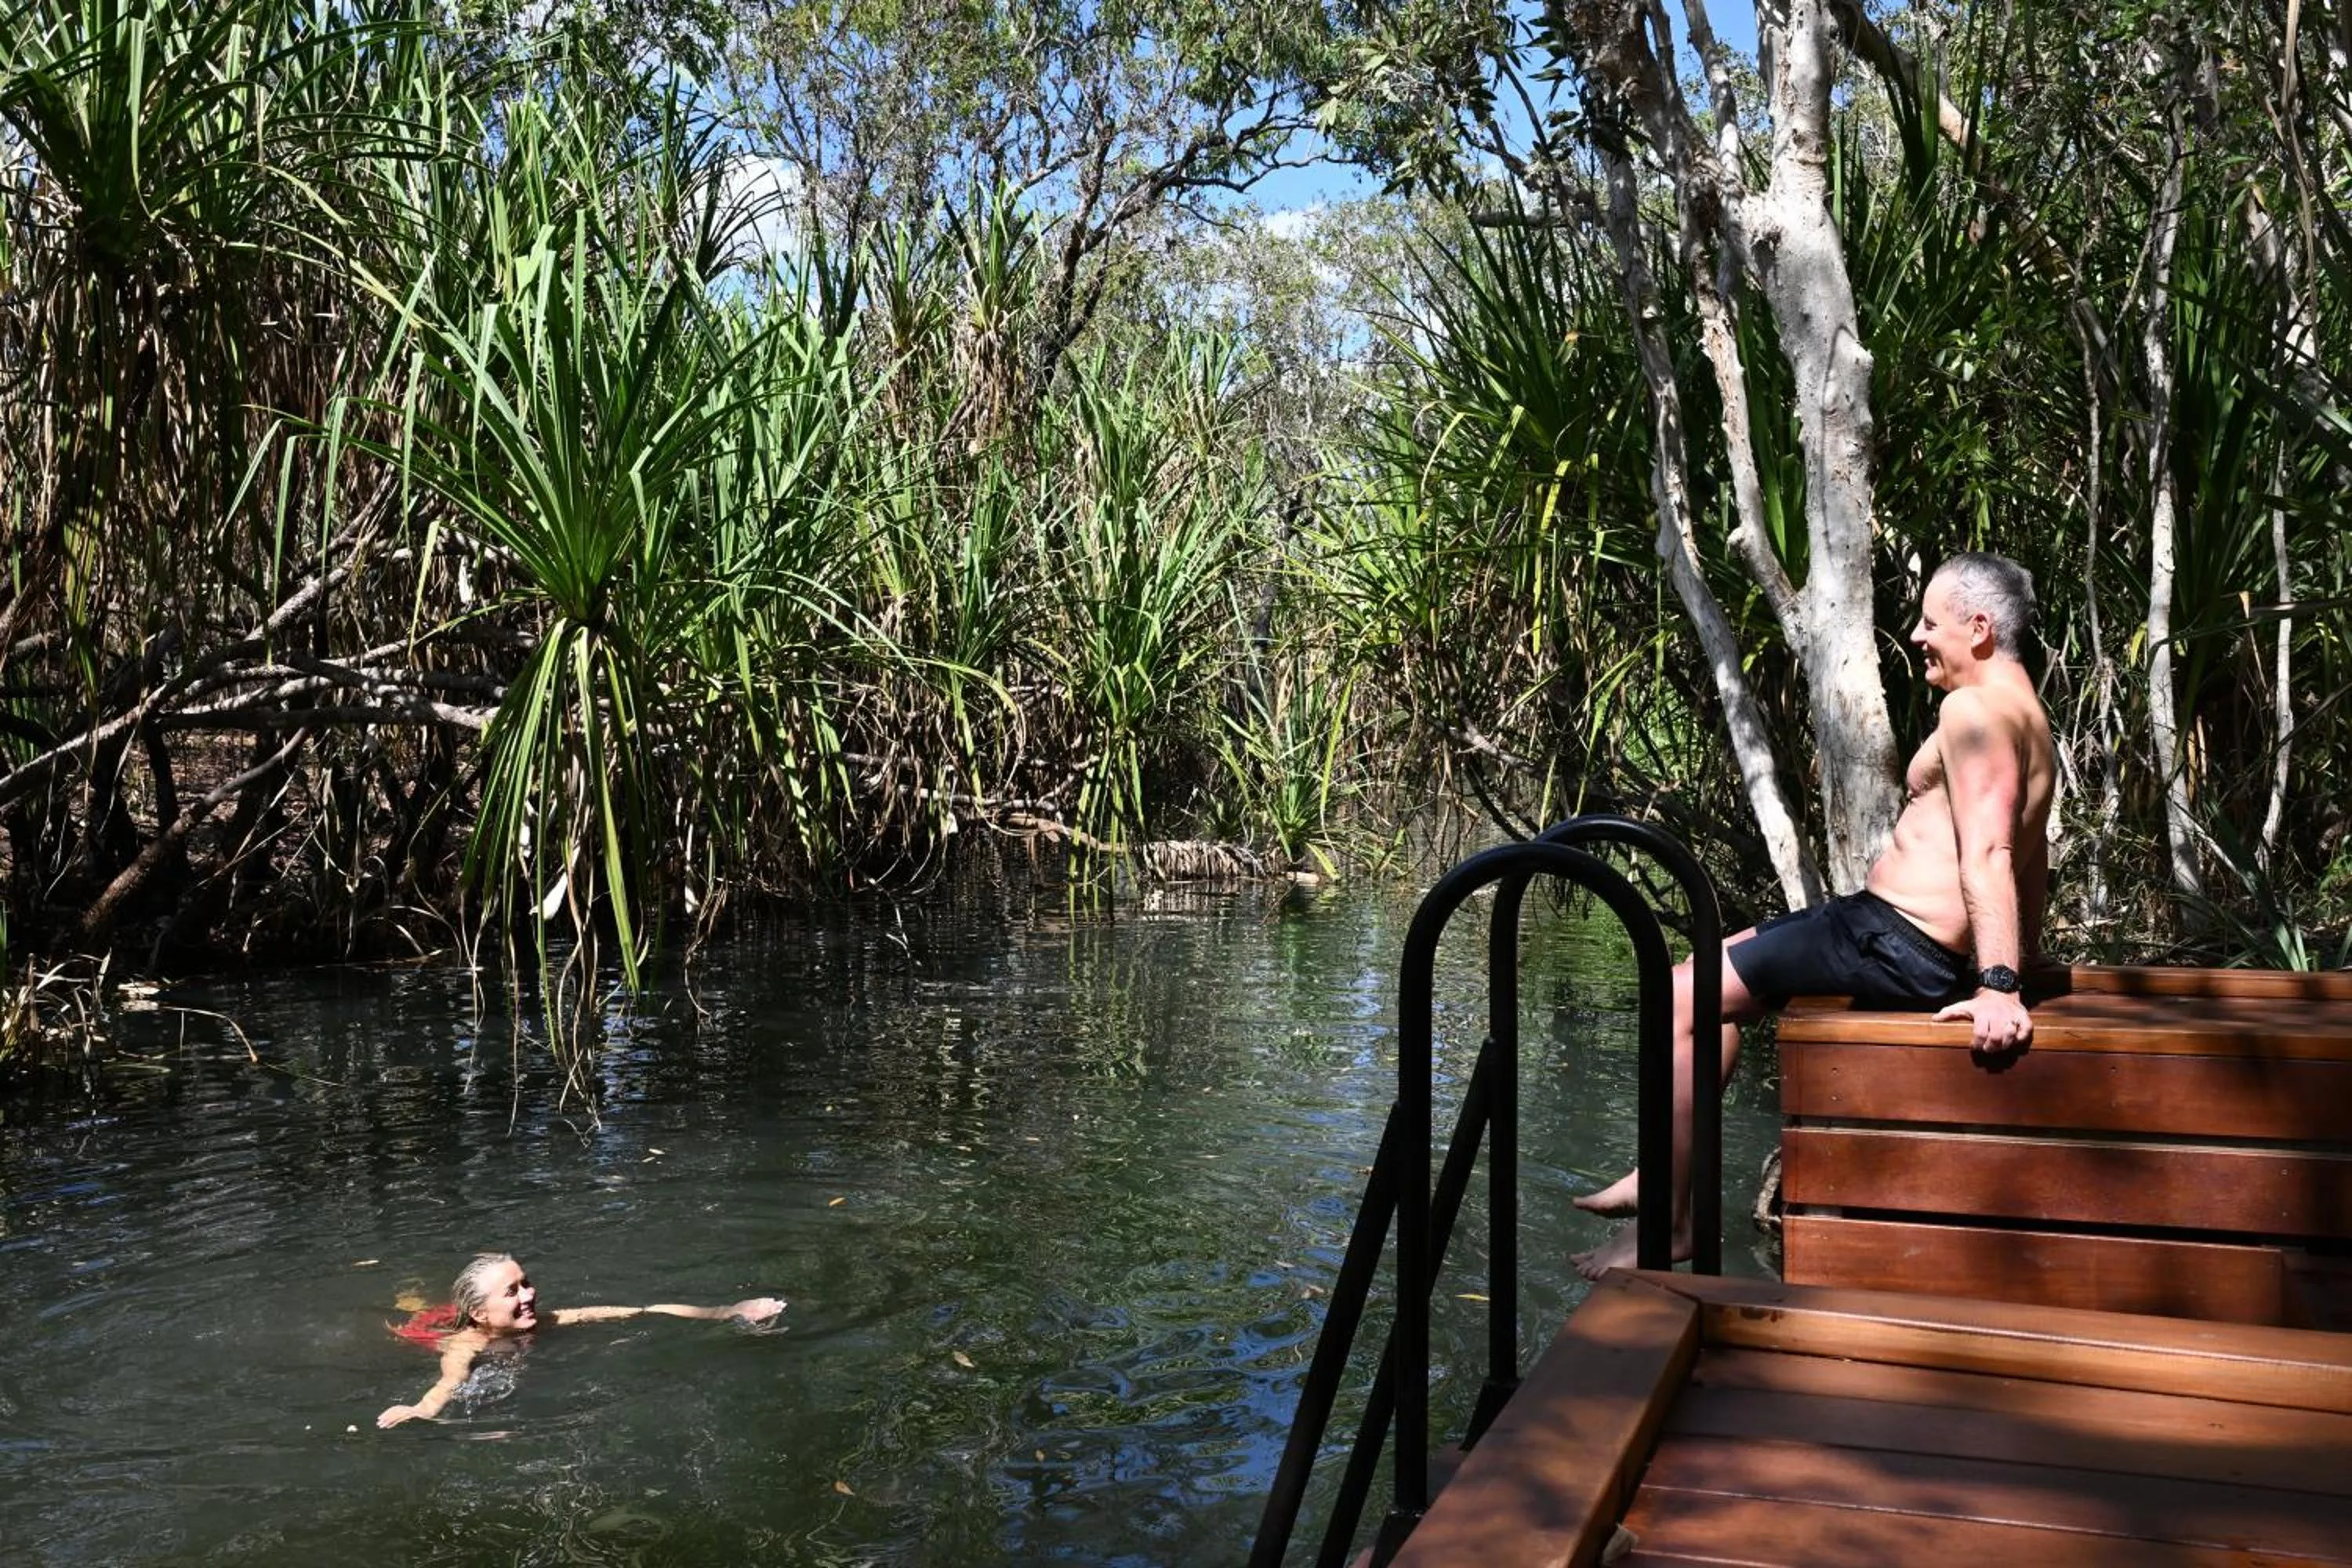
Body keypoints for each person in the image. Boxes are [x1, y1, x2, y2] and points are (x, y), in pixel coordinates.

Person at [1571, 552, 2054, 1279]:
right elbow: (2031, 855)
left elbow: (1990, 849)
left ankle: (1669, 1226)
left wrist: (1998, 984)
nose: (1918, 635)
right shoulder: (2028, 714)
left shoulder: (1974, 709)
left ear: (1979, 628)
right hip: (1883, 932)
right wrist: (2020, 958)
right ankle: (1659, 1175)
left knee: (1677, 997)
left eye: (1931, 622)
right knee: (1706, 989)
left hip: (1894, 940)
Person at [376, 1252, 786, 1428]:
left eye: (527, 1283)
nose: (530, 1294)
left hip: (479, 1317)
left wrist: (727, 1310)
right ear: (481, 1314)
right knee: (411, 1319)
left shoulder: (549, 1320)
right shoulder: (466, 1344)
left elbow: (640, 1310)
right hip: (430, 1332)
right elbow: (450, 1382)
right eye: (513, 1291)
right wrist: (421, 1408)